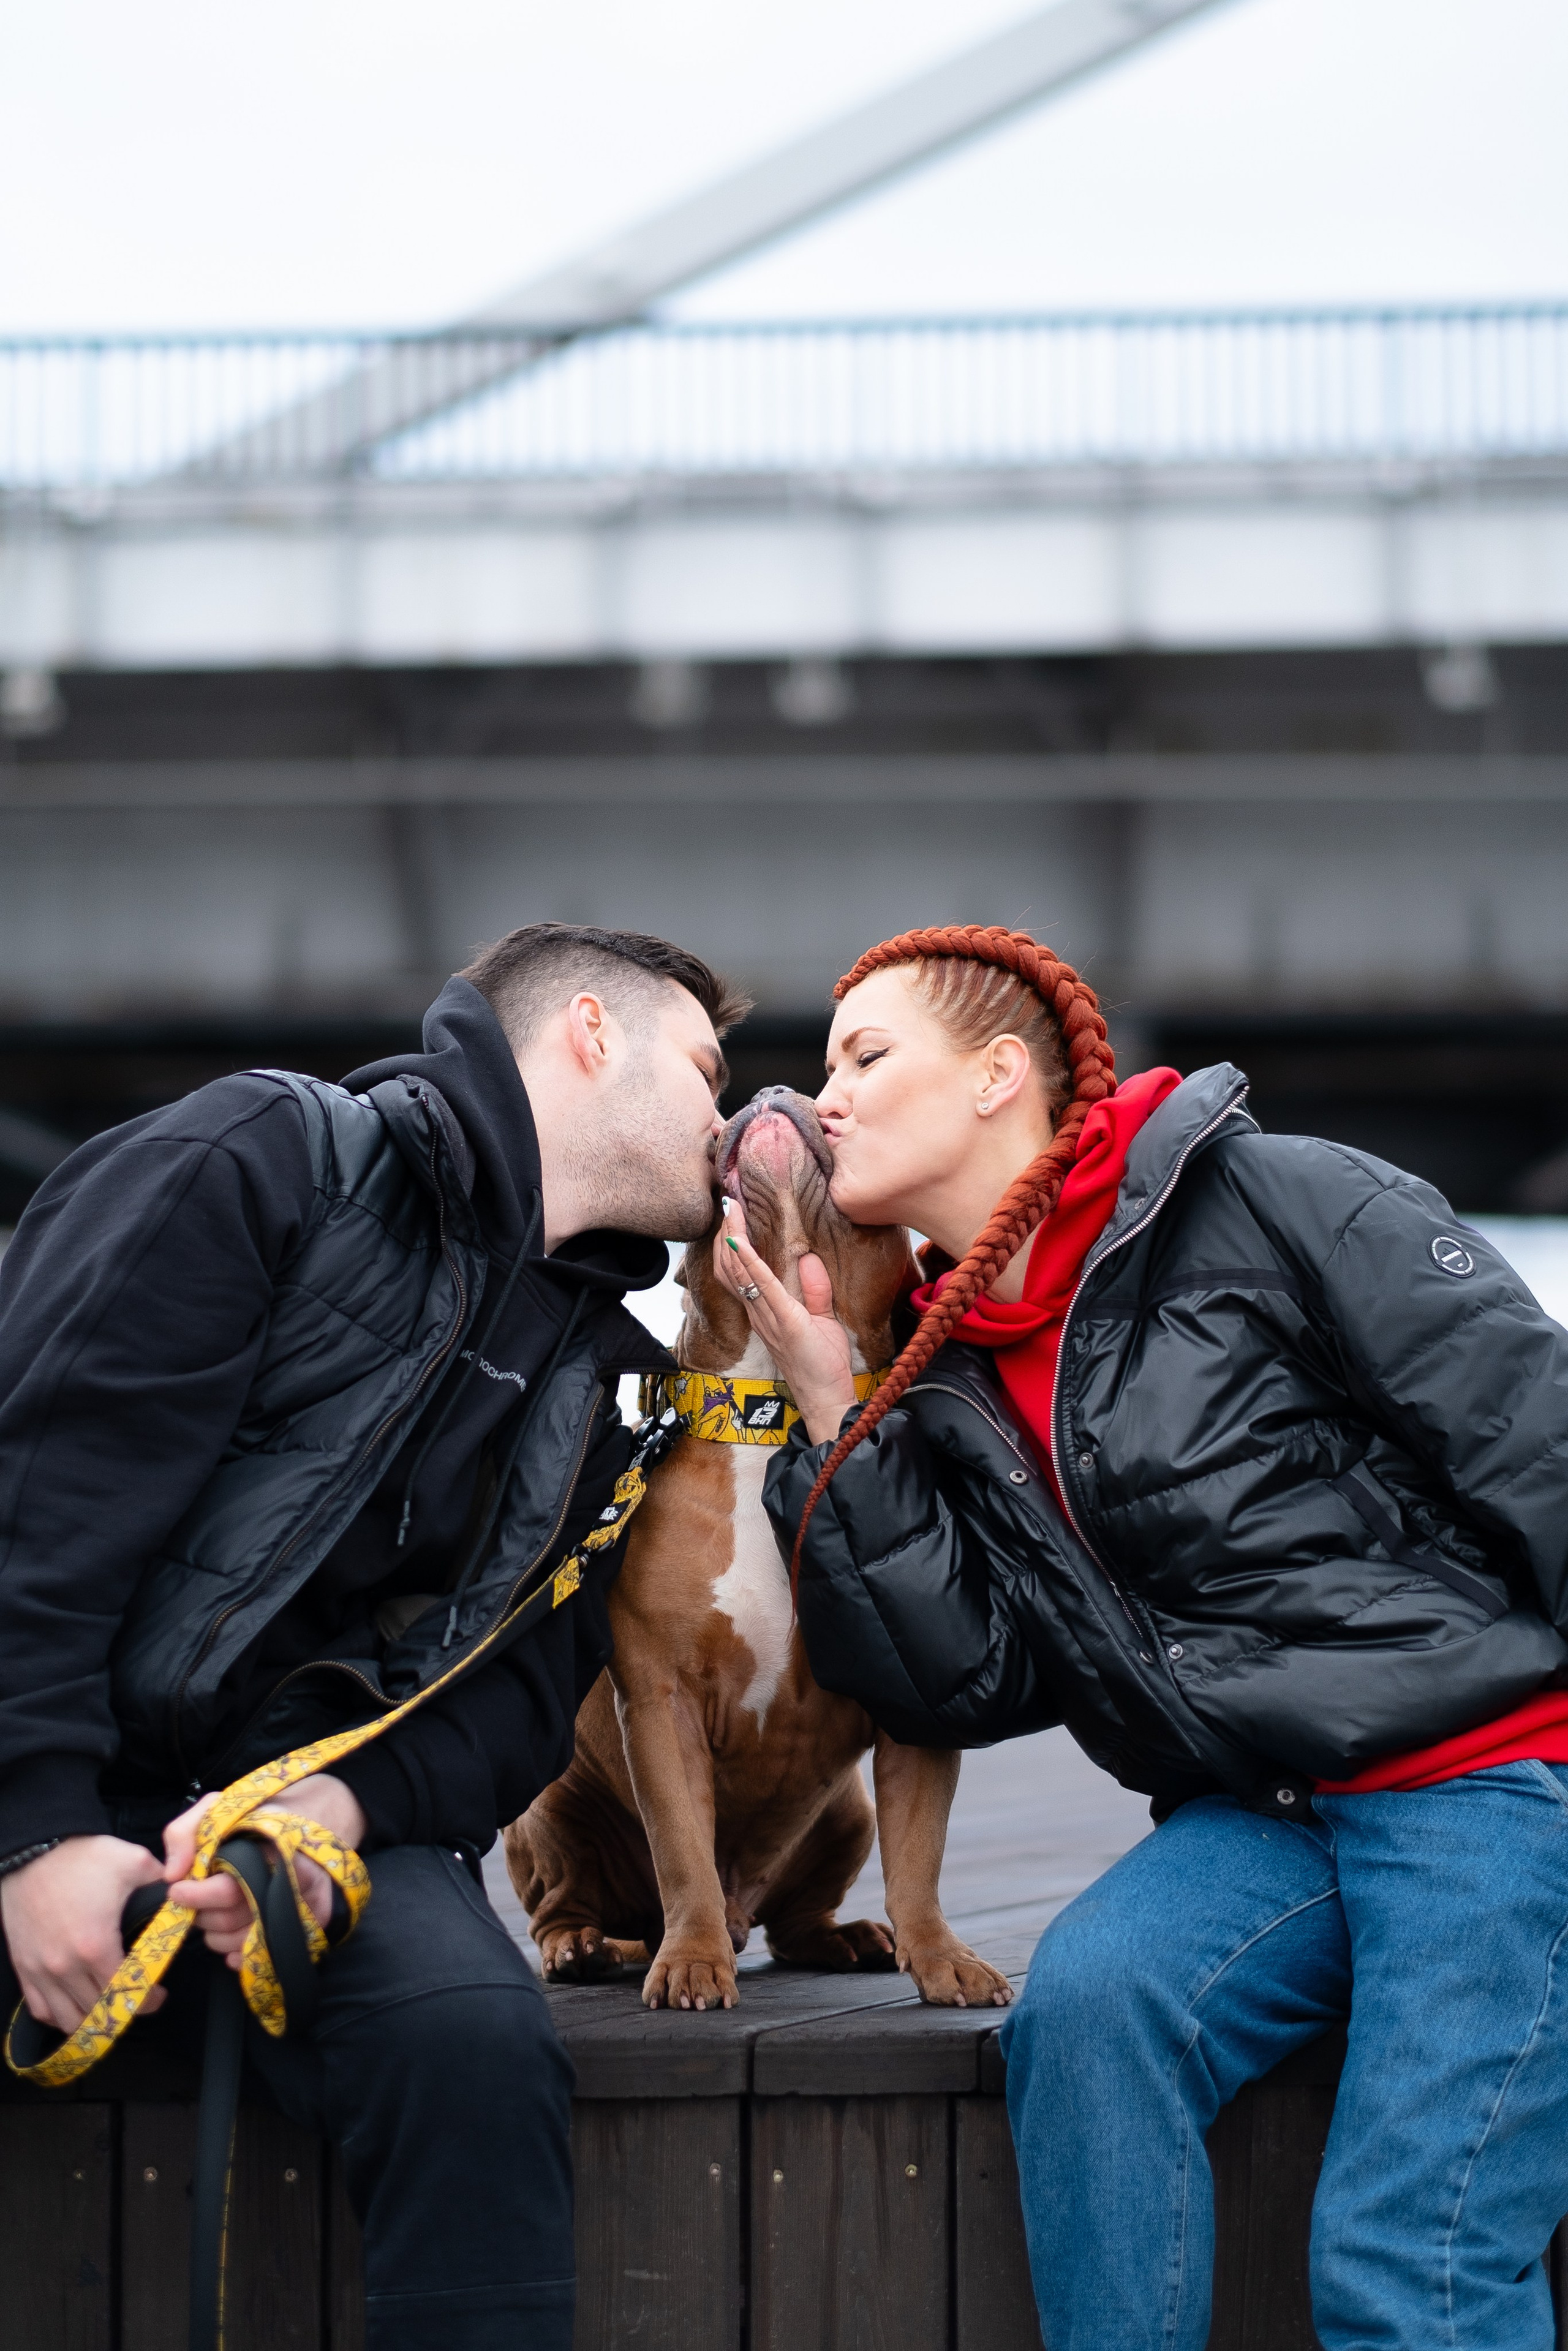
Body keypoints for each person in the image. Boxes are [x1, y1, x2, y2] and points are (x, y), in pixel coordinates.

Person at [716, 921, 1568, 2351]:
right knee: (1091, 2014)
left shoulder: (1278, 1200)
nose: (825, 1101)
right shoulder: (941, 1371)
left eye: (863, 1057)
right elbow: (960, 1677)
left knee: (1399, 2258)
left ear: (998, 1076)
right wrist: (828, 1414)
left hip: (1483, 1780)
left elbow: (1534, 1447)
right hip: (1263, 1816)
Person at [0, 921, 744, 2351]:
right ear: (592, 1032)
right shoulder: (260, 1160)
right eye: (708, 1072)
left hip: (315, 1821)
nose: (726, 1126)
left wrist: (336, 1813)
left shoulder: (619, 1390)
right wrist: (35, 1832)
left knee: (473, 2042)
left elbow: (521, 1706)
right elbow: (44, 1503)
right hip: (47, 1765)